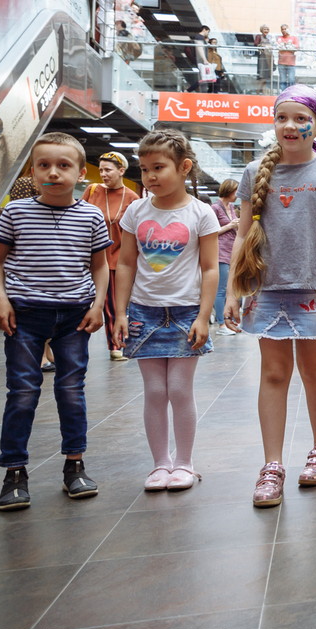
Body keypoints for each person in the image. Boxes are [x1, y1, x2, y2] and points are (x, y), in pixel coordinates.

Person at [224, 85, 316, 508]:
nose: (291, 126)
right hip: (267, 289)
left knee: (314, 371)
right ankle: (272, 465)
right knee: (274, 375)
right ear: (274, 123)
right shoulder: (254, 173)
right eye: (283, 118)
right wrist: (233, 291)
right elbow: (242, 235)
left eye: (301, 119)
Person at [0, 132, 110, 511]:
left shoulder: (91, 216)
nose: (53, 173)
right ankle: (14, 472)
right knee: (22, 392)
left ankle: (74, 465)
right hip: (25, 316)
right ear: (33, 169)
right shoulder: (15, 212)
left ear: (80, 173)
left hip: (74, 317)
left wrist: (98, 305)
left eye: (64, 166)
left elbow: (101, 266)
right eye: (44, 165)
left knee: (71, 390)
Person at [113, 131, 219, 493]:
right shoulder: (135, 211)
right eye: (144, 169)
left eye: (159, 167)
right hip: (144, 312)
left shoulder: (200, 212)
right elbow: (125, 263)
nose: (151, 176)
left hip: (186, 312)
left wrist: (204, 316)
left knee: (178, 388)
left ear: (184, 166)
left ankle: (185, 463)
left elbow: (210, 267)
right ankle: (160, 464)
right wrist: (121, 311)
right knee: (155, 391)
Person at [82, 152, 140, 361]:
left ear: (121, 171)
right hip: (88, 257)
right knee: (78, 302)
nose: (104, 174)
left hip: (115, 259)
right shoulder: (92, 190)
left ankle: (116, 345)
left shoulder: (132, 198)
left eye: (108, 170)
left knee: (112, 305)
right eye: (101, 170)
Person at [210, 179, 239, 337]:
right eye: (235, 191)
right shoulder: (215, 208)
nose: (237, 194)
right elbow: (210, 232)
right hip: (220, 252)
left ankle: (228, 320)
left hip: (231, 251)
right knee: (221, 289)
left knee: (230, 288)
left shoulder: (231, 207)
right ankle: (221, 324)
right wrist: (230, 226)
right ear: (229, 191)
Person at [275, 24, 299, 88]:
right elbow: (279, 48)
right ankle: (283, 95)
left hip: (291, 64)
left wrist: (286, 47)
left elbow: (296, 48)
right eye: (282, 29)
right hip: (281, 63)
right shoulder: (279, 38)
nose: (284, 30)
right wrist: (288, 47)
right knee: (282, 81)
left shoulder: (294, 38)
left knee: (291, 80)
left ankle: (291, 95)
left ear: (288, 29)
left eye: (285, 29)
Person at [254, 25, 275, 92]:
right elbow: (256, 44)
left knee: (266, 77)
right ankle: (257, 91)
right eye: (265, 29)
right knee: (262, 76)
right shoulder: (259, 36)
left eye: (267, 29)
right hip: (262, 58)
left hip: (268, 58)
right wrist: (263, 46)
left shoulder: (268, 38)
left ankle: (262, 91)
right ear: (261, 30)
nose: (266, 31)